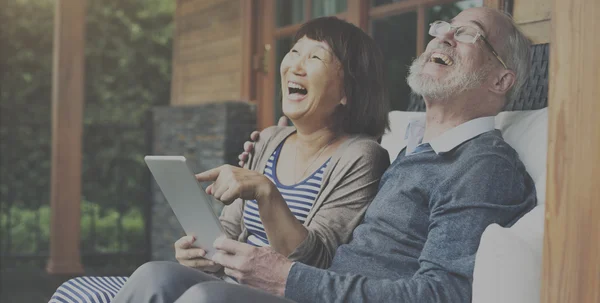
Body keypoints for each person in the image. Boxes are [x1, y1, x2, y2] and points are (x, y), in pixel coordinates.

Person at [113, 7, 537, 303]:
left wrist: (289, 279)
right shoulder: (410, 149)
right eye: (445, 26)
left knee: (205, 298)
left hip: (313, 294)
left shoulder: (483, 165)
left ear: (500, 80)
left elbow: (444, 295)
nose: (443, 34)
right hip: (318, 290)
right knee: (157, 274)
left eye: (467, 34)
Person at [108, 16, 390, 303]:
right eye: (294, 52)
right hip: (231, 284)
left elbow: (316, 264)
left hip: (291, 296)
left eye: (315, 57)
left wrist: (266, 193)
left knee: (204, 297)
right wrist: (202, 254)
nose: (295, 65)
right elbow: (228, 235)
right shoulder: (269, 140)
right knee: (153, 274)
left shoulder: (362, 156)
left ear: (347, 91)